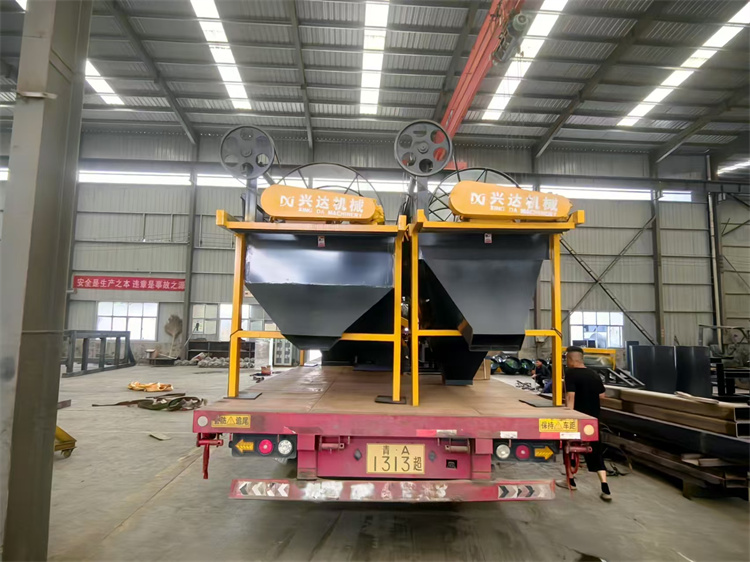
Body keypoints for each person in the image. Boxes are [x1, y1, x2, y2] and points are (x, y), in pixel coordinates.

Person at [556, 346, 611, 502]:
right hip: (593, 420)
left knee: (569, 448)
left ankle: (570, 481)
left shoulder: (570, 373)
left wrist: (568, 416)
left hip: (578, 419)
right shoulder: (594, 374)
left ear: (570, 359)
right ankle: (605, 487)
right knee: (596, 451)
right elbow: (602, 395)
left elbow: (570, 396)